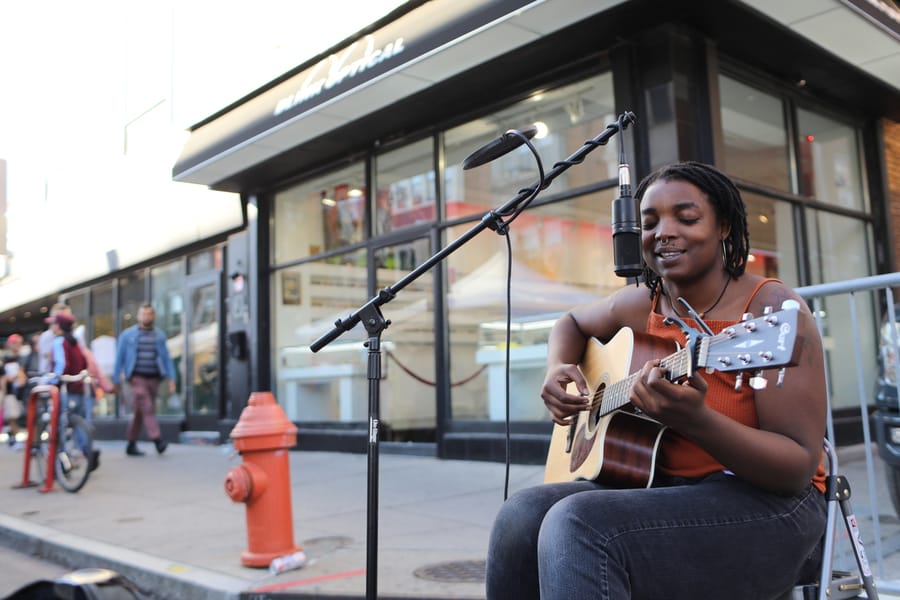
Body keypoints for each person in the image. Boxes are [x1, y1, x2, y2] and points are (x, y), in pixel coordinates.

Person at [485, 162, 828, 599]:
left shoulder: (772, 311)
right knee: (520, 515)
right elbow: (570, 323)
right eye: (649, 223)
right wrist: (558, 368)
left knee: (578, 523)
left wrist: (697, 420)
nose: (663, 232)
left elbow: (795, 470)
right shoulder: (641, 304)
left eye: (686, 218)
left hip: (771, 508)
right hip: (660, 490)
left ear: (724, 226)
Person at [112, 304, 176, 456]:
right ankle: (157, 439)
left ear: (153, 316)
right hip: (136, 378)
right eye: (143, 314)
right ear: (138, 316)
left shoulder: (159, 336)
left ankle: (131, 443)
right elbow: (119, 358)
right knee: (147, 408)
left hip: (154, 379)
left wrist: (172, 378)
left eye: (149, 314)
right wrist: (116, 380)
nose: (146, 317)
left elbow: (167, 358)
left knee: (140, 412)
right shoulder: (128, 335)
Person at [2, 334, 27, 447]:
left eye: (19, 343)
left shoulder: (25, 357)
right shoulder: (4, 359)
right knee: (12, 416)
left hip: (24, 392)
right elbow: (3, 378)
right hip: (10, 392)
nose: (17, 345)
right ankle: (15, 438)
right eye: (14, 343)